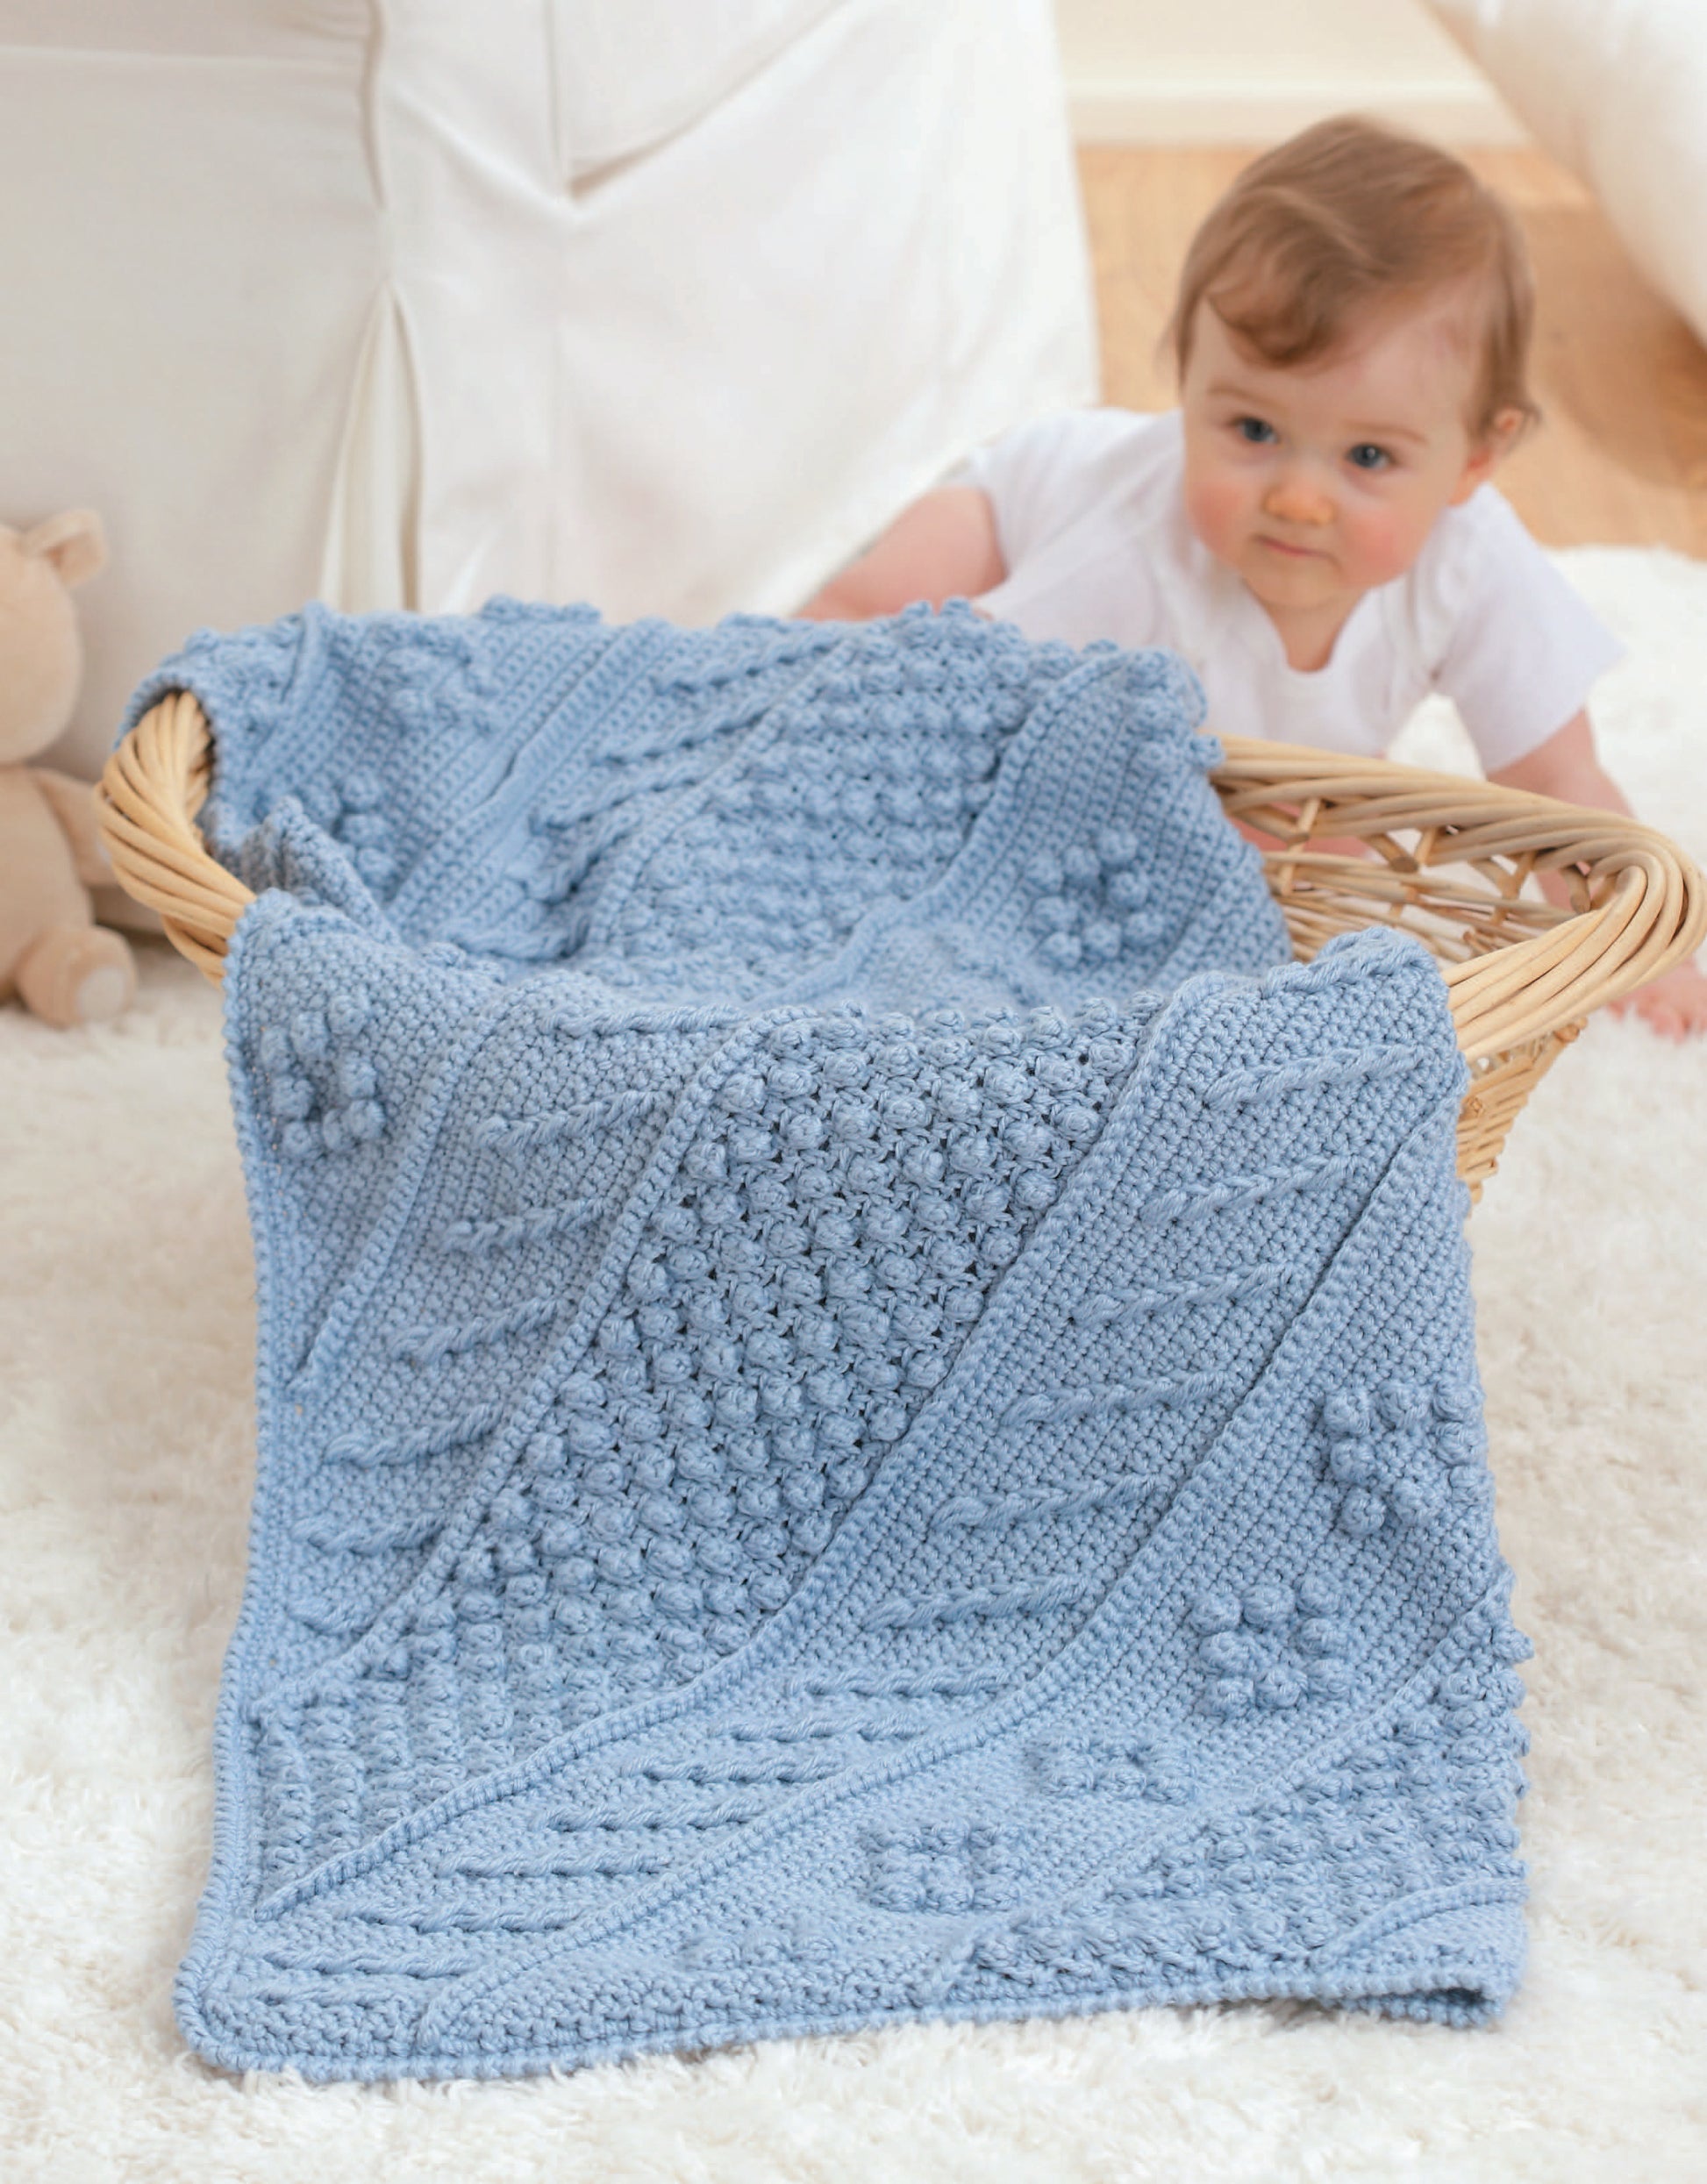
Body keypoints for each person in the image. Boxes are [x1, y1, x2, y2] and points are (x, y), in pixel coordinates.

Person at [798, 116, 1707, 1038]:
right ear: (1188, 389)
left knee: (1296, 849)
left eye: (1365, 456)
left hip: (1242, 749)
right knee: (873, 629)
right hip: (1012, 510)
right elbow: (967, 705)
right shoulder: (1121, 550)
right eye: (1253, 433)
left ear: (1475, 457)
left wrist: (1650, 960)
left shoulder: (1472, 561)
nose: (1299, 501)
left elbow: (1560, 781)